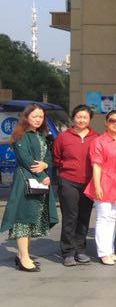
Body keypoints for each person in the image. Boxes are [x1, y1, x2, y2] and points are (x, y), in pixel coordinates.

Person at [0, 104, 59, 272]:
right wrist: (43, 176)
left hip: (39, 182)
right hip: (25, 181)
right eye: (34, 116)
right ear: (26, 117)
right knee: (23, 219)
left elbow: (48, 156)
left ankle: (22, 255)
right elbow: (26, 159)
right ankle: (24, 258)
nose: (38, 119)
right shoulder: (21, 135)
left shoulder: (41, 135)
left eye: (41, 116)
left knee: (32, 218)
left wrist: (46, 165)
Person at [52, 104, 97, 266]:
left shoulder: (95, 137)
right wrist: (66, 168)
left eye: (85, 117)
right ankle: (68, 252)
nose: (82, 120)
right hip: (68, 180)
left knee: (84, 217)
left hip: (88, 183)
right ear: (73, 118)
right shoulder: (63, 137)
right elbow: (56, 157)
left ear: (90, 119)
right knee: (70, 217)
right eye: (79, 117)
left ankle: (80, 249)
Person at [84, 111, 116, 266]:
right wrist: (97, 186)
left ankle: (110, 250)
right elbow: (96, 165)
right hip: (104, 182)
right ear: (106, 122)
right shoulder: (98, 141)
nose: (115, 123)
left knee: (113, 218)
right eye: (112, 120)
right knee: (103, 218)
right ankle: (103, 252)